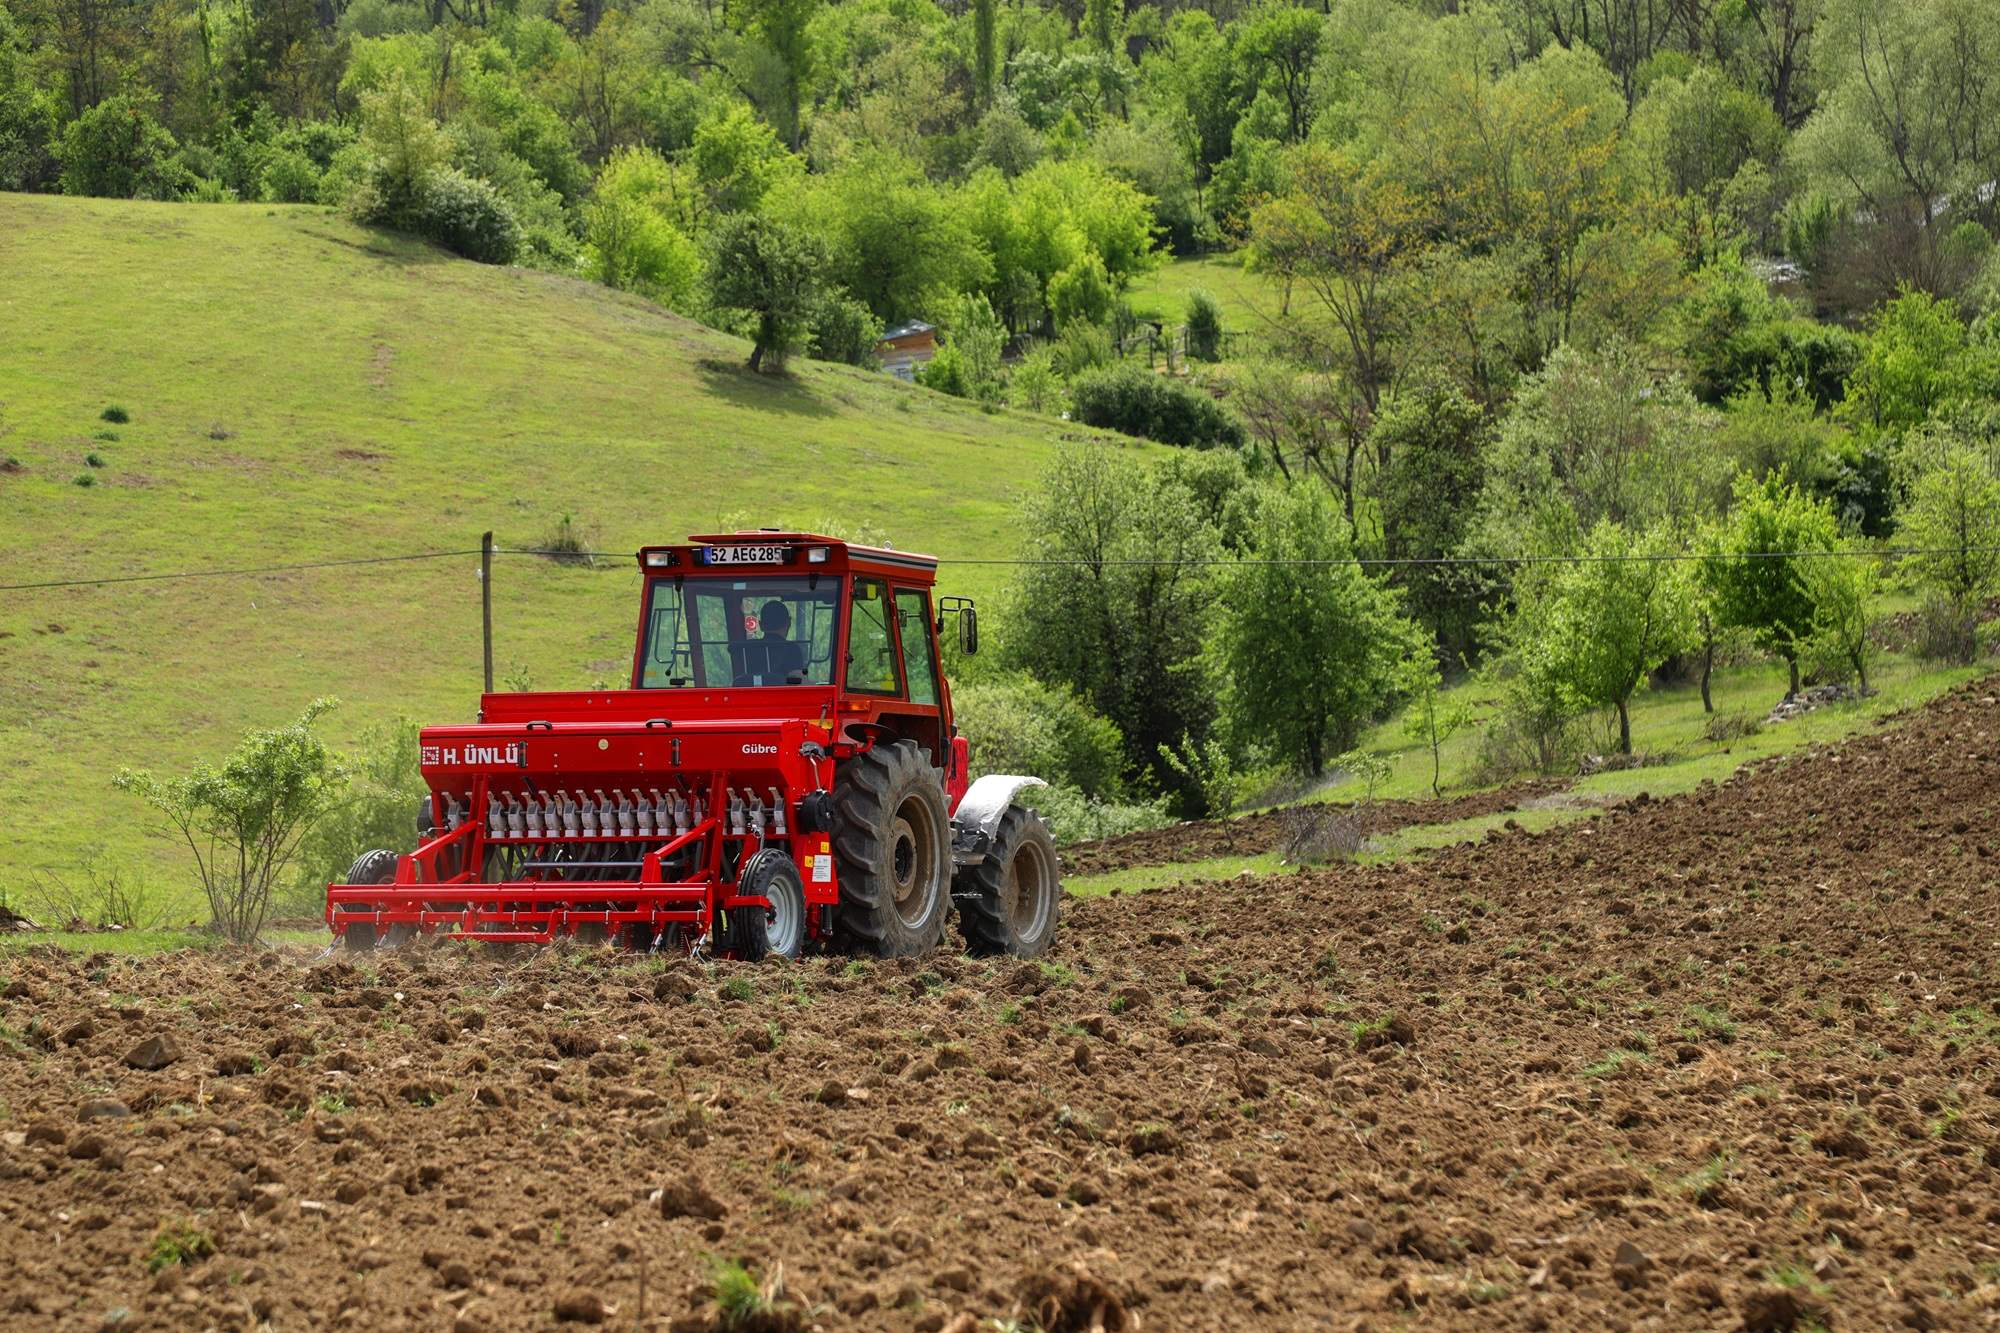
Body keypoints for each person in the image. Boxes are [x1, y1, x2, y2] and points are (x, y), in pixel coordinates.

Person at [741, 599, 807, 683]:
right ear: (789, 622)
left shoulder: (746, 650)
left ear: (760, 625)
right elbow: (799, 683)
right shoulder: (792, 649)